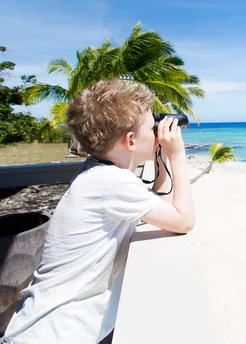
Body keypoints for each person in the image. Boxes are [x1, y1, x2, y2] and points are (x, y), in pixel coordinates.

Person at [2, 79, 195, 343]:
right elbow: (183, 220)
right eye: (153, 127)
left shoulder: (97, 171)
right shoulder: (111, 182)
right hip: (58, 331)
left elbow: (152, 202)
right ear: (130, 140)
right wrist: (178, 157)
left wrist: (160, 155)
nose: (158, 132)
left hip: (54, 325)